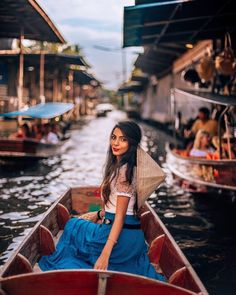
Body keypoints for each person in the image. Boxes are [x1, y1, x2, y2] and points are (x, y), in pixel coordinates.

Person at [39, 121, 165, 281]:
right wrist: (99, 214)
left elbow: (119, 218)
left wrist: (105, 254)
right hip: (132, 236)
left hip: (119, 239)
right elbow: (122, 209)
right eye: (114, 137)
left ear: (132, 143)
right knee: (79, 225)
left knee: (72, 226)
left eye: (123, 139)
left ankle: (102, 256)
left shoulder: (123, 173)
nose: (116, 143)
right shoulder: (130, 168)